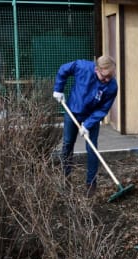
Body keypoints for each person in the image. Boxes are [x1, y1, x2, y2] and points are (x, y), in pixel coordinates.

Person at [53, 55, 118, 197]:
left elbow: (103, 109)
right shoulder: (82, 67)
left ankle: (91, 184)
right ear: (97, 70)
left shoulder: (112, 86)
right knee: (68, 144)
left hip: (92, 116)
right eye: (105, 77)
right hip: (73, 110)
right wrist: (59, 88)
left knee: (92, 147)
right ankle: (65, 177)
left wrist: (88, 124)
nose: (108, 80)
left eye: (111, 76)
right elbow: (63, 69)